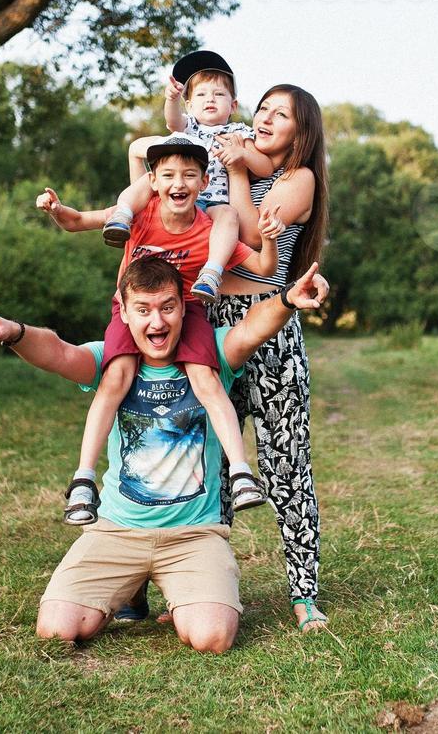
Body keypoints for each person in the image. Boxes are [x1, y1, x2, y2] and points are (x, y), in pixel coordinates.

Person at [0, 256, 331, 653]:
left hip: (193, 536)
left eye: (167, 307)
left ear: (182, 308)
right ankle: (129, 587)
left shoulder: (212, 356)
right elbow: (58, 353)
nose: (157, 323)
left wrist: (287, 300)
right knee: (56, 628)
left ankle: (181, 589)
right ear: (125, 313)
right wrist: (13, 332)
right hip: (117, 531)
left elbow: (252, 328)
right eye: (144, 310)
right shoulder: (111, 361)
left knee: (212, 637)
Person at [35, 134, 286, 526]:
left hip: (184, 310)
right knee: (114, 378)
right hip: (130, 312)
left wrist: (270, 240)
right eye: (168, 175)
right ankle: (83, 480)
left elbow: (265, 269)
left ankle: (240, 474)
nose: (178, 183)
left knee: (207, 380)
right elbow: (77, 222)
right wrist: (55, 209)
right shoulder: (142, 212)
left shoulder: (211, 227)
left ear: (204, 183)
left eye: (189, 175)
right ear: (153, 181)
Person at [210, 84, 331, 632]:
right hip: (213, 322)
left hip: (271, 321)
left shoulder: (297, 179)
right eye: (261, 107)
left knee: (286, 462)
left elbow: (258, 246)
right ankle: (207, 589)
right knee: (210, 464)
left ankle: (303, 593)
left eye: (279, 114)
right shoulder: (240, 159)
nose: (263, 118)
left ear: (299, 132)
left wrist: (237, 171)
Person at [102, 50, 275, 303]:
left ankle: (211, 272)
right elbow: (172, 121)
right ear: (190, 105)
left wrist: (243, 155)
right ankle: (122, 215)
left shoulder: (238, 132)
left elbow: (265, 167)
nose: (210, 100)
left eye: (219, 94)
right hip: (178, 196)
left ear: (233, 105)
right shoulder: (189, 127)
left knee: (229, 216)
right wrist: (171, 98)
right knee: (147, 182)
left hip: (214, 204)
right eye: (201, 95)